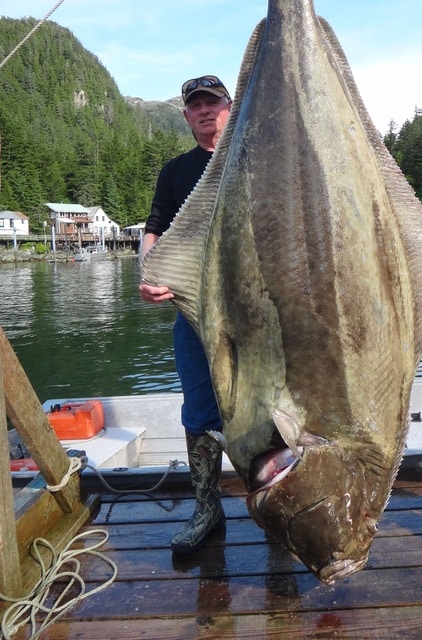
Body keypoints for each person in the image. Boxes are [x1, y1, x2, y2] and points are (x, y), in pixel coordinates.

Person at [139, 74, 232, 556]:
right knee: (199, 411)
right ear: (186, 115)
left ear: (230, 107)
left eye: (211, 103)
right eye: (195, 105)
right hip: (194, 311)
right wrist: (148, 269)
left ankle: (279, 503)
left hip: (257, 311)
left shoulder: (253, 159)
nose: (203, 111)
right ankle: (207, 506)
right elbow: (155, 226)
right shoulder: (175, 171)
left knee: (276, 407)